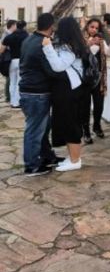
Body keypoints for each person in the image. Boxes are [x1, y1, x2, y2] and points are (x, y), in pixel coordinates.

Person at [42, 16, 89, 172]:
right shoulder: (70, 45)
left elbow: (58, 66)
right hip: (67, 90)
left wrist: (48, 47)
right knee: (67, 123)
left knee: (71, 125)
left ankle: (75, 160)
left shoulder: (70, 47)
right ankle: (72, 157)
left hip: (70, 91)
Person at [19, 13, 64, 176]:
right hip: (37, 93)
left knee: (42, 128)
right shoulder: (42, 45)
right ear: (51, 26)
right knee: (35, 130)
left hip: (28, 91)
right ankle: (31, 165)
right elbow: (52, 70)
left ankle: (47, 157)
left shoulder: (29, 40)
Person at [81, 18, 110, 142]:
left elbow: (108, 53)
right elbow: (79, 54)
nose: (94, 30)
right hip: (85, 78)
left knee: (99, 105)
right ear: (87, 27)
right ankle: (86, 131)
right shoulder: (81, 40)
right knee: (85, 106)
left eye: (96, 28)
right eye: (92, 27)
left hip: (98, 78)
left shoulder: (100, 40)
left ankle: (97, 126)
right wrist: (88, 44)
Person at [1, 20, 28, 108]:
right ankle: (17, 102)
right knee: (19, 82)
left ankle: (12, 102)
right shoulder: (26, 36)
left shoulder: (9, 37)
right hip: (21, 60)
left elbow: (1, 49)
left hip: (12, 61)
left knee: (12, 82)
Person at [1, 20, 17, 102]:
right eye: (15, 25)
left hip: (10, 58)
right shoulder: (6, 35)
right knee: (9, 78)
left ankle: (10, 96)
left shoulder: (8, 34)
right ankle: (8, 96)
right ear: (12, 26)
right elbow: (2, 48)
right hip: (7, 58)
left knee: (10, 78)